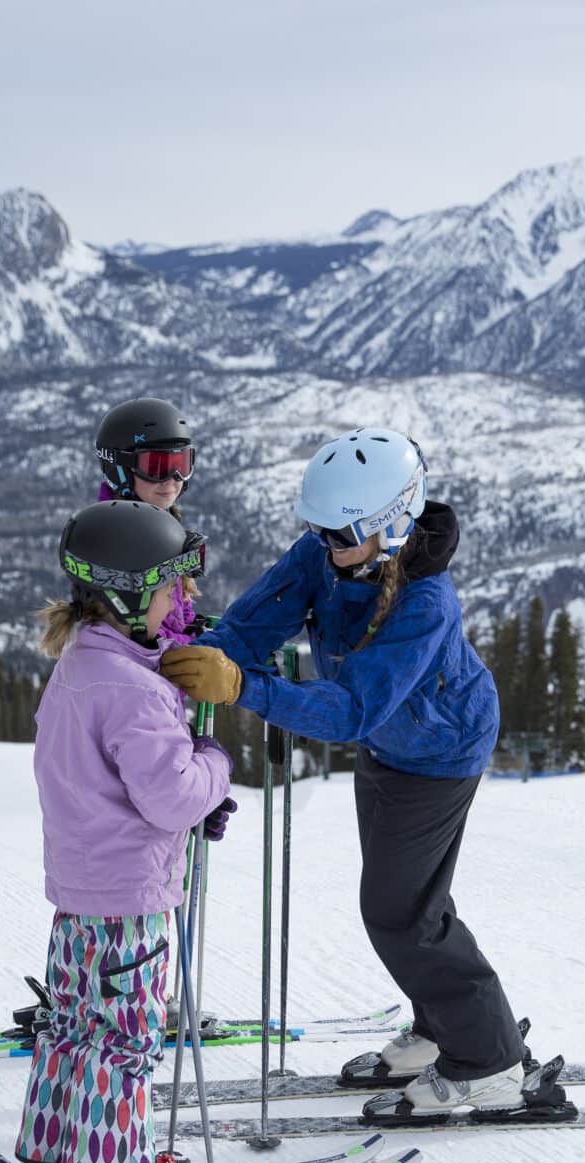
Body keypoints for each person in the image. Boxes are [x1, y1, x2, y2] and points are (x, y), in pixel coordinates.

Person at [159, 428, 526, 1113]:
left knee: (400, 912)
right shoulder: (327, 556)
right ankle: (437, 1028)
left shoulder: (426, 603)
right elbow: (253, 624)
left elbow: (354, 706)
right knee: (411, 902)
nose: (325, 544)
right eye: (317, 530)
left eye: (342, 533)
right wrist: (199, 662)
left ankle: (490, 1058)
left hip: (440, 753)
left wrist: (243, 688)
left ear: (389, 526)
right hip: (391, 744)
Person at [10, 499, 236, 1163]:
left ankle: (53, 1153)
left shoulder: (83, 666)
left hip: (79, 901)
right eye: (173, 586)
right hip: (129, 907)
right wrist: (213, 765)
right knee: (124, 1042)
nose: (186, 599)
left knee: (74, 1031)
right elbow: (172, 798)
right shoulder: (134, 692)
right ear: (127, 594)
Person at [94, 396, 203, 644]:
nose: (172, 479)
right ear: (119, 468)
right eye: (155, 467)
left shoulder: (161, 524)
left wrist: (196, 634)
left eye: (181, 465)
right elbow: (133, 631)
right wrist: (191, 648)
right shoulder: (115, 544)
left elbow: (180, 608)